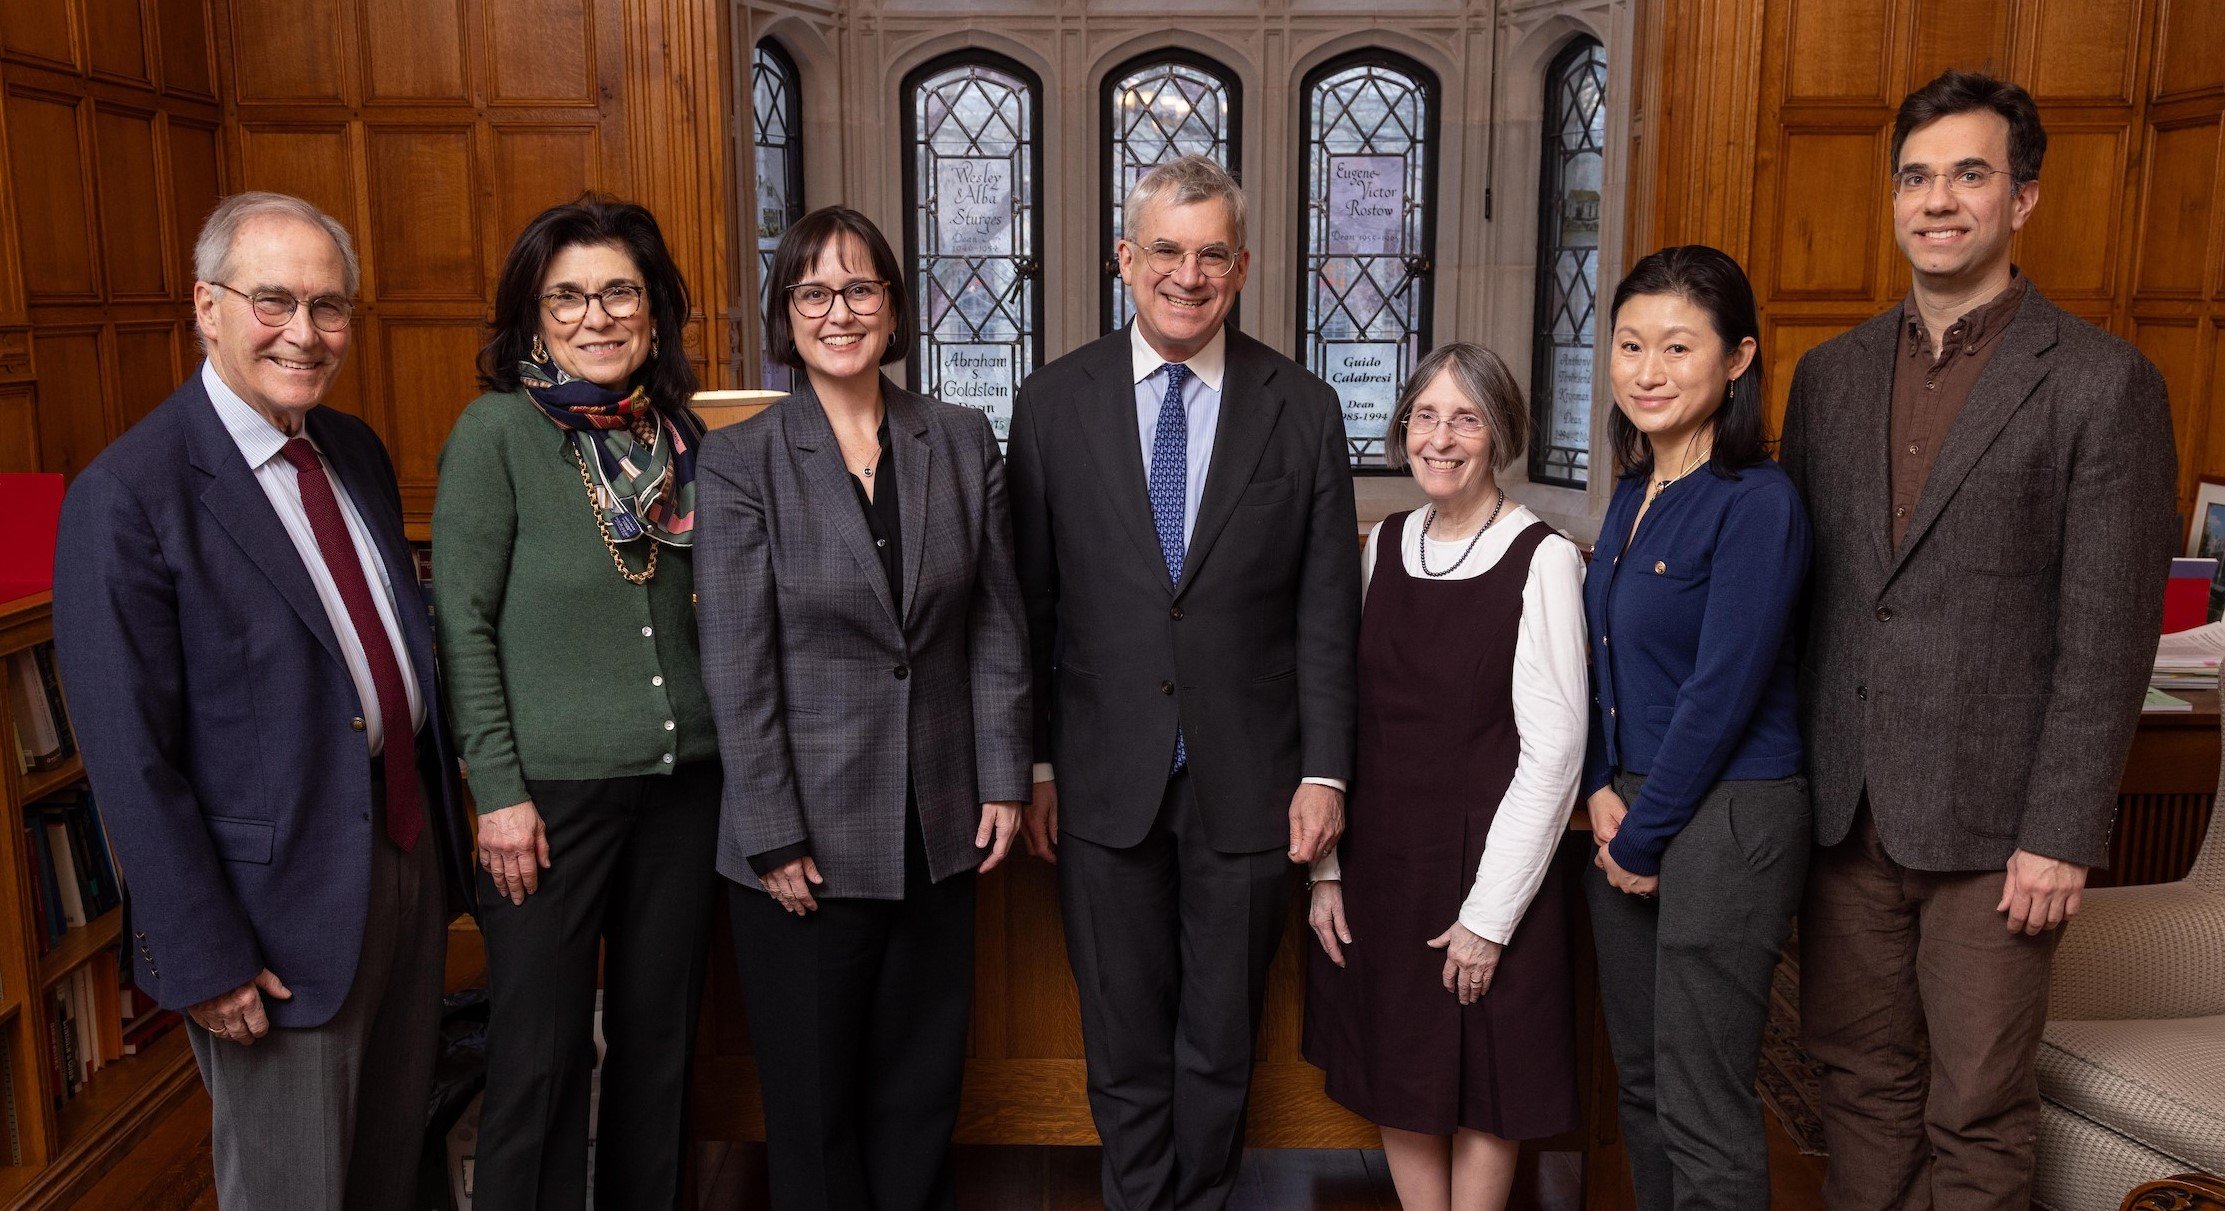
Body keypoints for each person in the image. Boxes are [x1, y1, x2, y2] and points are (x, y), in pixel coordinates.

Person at [1779, 70, 2177, 1211]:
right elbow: (1815, 603)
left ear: (2022, 198)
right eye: (1914, 176)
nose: (1936, 199)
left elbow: (2104, 640)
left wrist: (2058, 832)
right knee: (1856, 1084)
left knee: (1975, 1106)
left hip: (1998, 834)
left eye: (1967, 173)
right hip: (1845, 814)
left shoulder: (2103, 385)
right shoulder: (1830, 376)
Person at [50, 191, 474, 1209]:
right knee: (293, 1189)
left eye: (329, 308)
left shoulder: (353, 448)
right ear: (207, 304)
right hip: (269, 919)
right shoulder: (129, 493)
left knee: (388, 1166)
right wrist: (204, 954)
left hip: (401, 864)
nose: (305, 332)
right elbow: (128, 753)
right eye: (273, 300)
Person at [1007, 154, 1361, 1210]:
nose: (1187, 274)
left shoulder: (1301, 406)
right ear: (1126, 257)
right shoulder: (1050, 401)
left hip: (1251, 778)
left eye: (1211, 254)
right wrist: (1029, 760)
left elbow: (1325, 612)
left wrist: (1327, 773)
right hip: (1097, 776)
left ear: (1241, 266)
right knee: (1117, 1038)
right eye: (1165, 248)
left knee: (1218, 1038)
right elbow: (1028, 603)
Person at [693, 205, 1031, 1210]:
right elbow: (737, 660)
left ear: (894, 305)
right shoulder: (742, 459)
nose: (838, 310)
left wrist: (1004, 774)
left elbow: (997, 626)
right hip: (803, 842)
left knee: (921, 1092)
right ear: (785, 315)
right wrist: (769, 831)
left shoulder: (961, 438)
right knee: (815, 1107)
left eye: (859, 288)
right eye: (812, 292)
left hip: (937, 824)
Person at [429, 194, 719, 1208]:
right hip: (545, 802)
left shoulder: (681, 440)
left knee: (660, 1048)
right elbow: (459, 622)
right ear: (533, 316)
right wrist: (496, 790)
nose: (595, 317)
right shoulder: (497, 432)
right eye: (567, 298)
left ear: (653, 311)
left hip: (685, 788)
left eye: (618, 292)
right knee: (541, 1059)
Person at [1303, 342, 1587, 1210]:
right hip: (1385, 866)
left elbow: (1556, 751)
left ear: (1499, 432)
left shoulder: (1542, 557)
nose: (1440, 436)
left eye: (1465, 417)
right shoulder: (1383, 544)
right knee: (1402, 1067)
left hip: (1487, 871)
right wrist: (1326, 870)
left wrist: (1488, 918)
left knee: (1483, 1082)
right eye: (1424, 415)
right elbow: (1345, 717)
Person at [1581, 245, 1812, 1211]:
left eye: (1678, 347)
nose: (1648, 369)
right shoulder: (1635, 492)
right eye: (1630, 344)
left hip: (1724, 817)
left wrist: (1641, 828)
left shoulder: (1759, 502)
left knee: (1701, 1097)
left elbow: (1720, 691)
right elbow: (1598, 661)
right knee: (1640, 1082)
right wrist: (1598, 782)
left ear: (1737, 359)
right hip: (1623, 805)